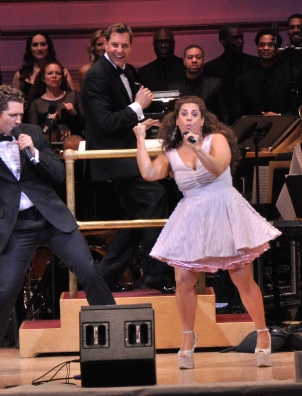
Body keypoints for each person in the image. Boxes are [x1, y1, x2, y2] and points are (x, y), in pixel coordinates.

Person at [0, 85, 115, 376]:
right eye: (12, 115)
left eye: (21, 113)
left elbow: (58, 175)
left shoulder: (32, 132)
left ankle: (114, 340)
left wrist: (34, 153)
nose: (18, 120)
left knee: (88, 270)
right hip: (16, 227)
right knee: (6, 290)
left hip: (50, 218)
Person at [133, 96, 280, 369]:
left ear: (202, 119)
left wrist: (197, 148)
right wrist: (141, 138)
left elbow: (218, 167)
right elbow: (149, 172)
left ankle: (262, 333)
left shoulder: (217, 140)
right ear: (176, 120)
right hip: (193, 215)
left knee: (241, 277)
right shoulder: (171, 153)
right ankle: (188, 336)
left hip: (223, 208)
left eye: (195, 114)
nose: (189, 118)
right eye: (184, 114)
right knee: (183, 280)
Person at [81, 22, 175, 294]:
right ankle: (155, 274)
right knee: (155, 198)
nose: (120, 50)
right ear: (105, 44)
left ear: (130, 47)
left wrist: (143, 123)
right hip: (113, 159)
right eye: (115, 45)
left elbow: (121, 118)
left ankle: (102, 278)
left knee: (137, 218)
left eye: (124, 46)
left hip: (128, 154)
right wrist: (137, 107)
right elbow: (106, 121)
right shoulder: (96, 75)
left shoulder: (126, 71)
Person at [239, 28, 302, 116]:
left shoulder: (293, 74)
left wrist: (280, 116)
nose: (266, 48)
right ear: (257, 47)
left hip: (287, 127)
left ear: (278, 48)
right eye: (262, 45)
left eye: (271, 45)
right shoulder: (245, 79)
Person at [204, 24, 259, 125]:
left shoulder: (255, 63)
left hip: (252, 119)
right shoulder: (211, 68)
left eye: (241, 37)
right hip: (221, 122)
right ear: (223, 41)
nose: (240, 41)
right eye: (235, 38)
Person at [168, 45, 228, 123]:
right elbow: (171, 117)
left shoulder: (216, 84)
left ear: (203, 60)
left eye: (198, 57)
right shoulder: (174, 88)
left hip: (210, 130)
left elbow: (224, 115)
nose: (194, 60)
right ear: (184, 61)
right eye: (190, 57)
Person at [26, 60, 84, 139]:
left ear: (62, 78)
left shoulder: (74, 96)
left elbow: (87, 126)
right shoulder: (36, 104)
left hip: (75, 146)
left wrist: (74, 114)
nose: (54, 76)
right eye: (50, 73)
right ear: (43, 78)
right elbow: (34, 135)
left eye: (58, 73)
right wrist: (48, 123)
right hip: (48, 148)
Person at [12, 32, 73, 99]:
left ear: (48, 47)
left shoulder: (63, 72)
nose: (39, 48)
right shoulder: (20, 75)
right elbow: (14, 103)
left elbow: (72, 98)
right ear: (30, 48)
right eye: (35, 45)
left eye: (43, 44)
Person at [138, 28, 185, 92]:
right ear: (154, 45)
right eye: (159, 42)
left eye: (167, 42)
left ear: (173, 44)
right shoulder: (144, 73)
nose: (163, 46)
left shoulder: (185, 67)